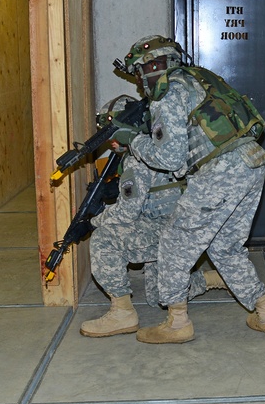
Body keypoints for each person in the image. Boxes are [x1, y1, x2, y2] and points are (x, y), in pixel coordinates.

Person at [121, 35, 265, 344]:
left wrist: (133, 140)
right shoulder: (200, 78)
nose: (141, 79)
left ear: (152, 66)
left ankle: (177, 322)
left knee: (173, 242)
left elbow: (169, 158)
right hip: (252, 162)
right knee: (225, 248)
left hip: (220, 172)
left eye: (140, 71)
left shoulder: (168, 92)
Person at [81, 144, 226, 338]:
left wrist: (92, 222)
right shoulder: (163, 145)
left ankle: (122, 313)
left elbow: (126, 213)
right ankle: (214, 279)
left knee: (104, 238)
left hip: (171, 229)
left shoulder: (137, 159)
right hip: (190, 225)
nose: (112, 142)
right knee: (159, 295)